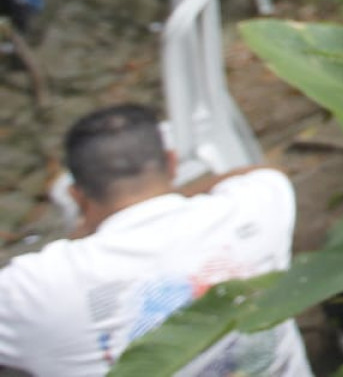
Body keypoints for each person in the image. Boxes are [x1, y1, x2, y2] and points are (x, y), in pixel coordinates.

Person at [0, 105, 310, 376]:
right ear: (172, 164)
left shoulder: (34, 287)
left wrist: (84, 232)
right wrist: (173, 197)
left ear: (76, 196)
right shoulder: (256, 206)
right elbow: (264, 172)